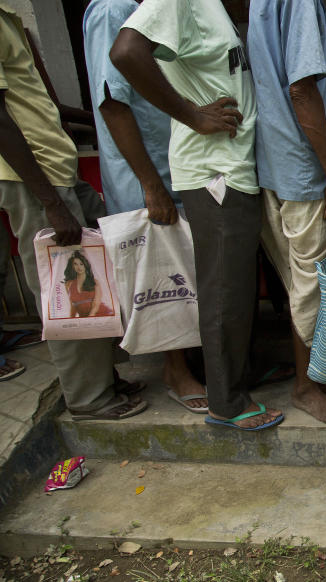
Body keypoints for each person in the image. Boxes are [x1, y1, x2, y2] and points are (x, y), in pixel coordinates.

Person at [111, 0, 283, 430]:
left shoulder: (212, 8)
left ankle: (234, 386)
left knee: (236, 290)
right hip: (213, 173)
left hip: (232, 168)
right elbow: (126, 52)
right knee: (225, 291)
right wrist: (192, 116)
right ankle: (226, 404)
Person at [0, 2, 146, 417]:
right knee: (67, 292)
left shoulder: (9, 15)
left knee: (96, 281)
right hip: (33, 177)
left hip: (55, 165)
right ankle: (88, 398)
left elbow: (37, 103)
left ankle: (104, 379)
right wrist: (50, 203)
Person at [82, 0, 209, 414]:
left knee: (182, 268)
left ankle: (189, 361)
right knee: (161, 275)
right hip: (145, 171)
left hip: (167, 162)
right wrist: (149, 183)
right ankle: (175, 370)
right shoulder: (113, 10)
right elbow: (112, 102)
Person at [246, 0, 326, 423]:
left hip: (277, 161)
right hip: (303, 169)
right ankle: (306, 385)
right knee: (311, 285)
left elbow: (318, 69)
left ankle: (313, 375)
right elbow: (301, 87)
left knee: (300, 281)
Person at [63, 250, 114, 318]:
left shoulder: (94, 282)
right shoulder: (69, 284)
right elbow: (73, 306)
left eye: (81, 264)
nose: (79, 267)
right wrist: (70, 320)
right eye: (75, 264)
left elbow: (96, 305)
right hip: (85, 320)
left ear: (85, 265)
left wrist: (89, 319)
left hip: (102, 315)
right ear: (72, 266)